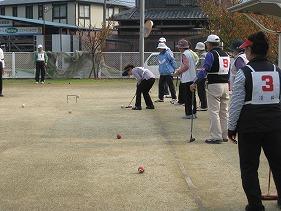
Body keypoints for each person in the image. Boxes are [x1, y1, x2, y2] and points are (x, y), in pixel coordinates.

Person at [228, 31, 281, 211]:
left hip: (250, 126)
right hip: (275, 124)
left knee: (249, 166)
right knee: (278, 163)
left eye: (246, 49)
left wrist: (231, 127)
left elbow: (236, 104)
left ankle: (255, 204)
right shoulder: (277, 71)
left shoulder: (244, 72)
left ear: (250, 49)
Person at [191, 34, 230, 143]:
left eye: (207, 43)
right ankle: (225, 135)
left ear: (209, 44)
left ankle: (216, 136)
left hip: (214, 85)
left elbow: (205, 69)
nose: (206, 45)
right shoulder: (226, 54)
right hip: (225, 85)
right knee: (224, 111)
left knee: (214, 111)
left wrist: (195, 81)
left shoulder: (211, 54)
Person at [174, 39, 197, 119]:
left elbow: (186, 66)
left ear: (181, 48)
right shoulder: (191, 53)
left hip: (187, 78)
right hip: (193, 77)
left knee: (188, 97)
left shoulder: (184, 54)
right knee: (192, 97)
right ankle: (193, 113)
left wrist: (178, 72)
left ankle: (189, 114)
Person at [195, 42, 208, 111]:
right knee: (202, 90)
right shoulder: (205, 54)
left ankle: (203, 106)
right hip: (203, 76)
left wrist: (199, 75)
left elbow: (203, 68)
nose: (197, 50)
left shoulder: (203, 56)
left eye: (197, 49)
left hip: (201, 76)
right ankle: (203, 105)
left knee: (201, 91)